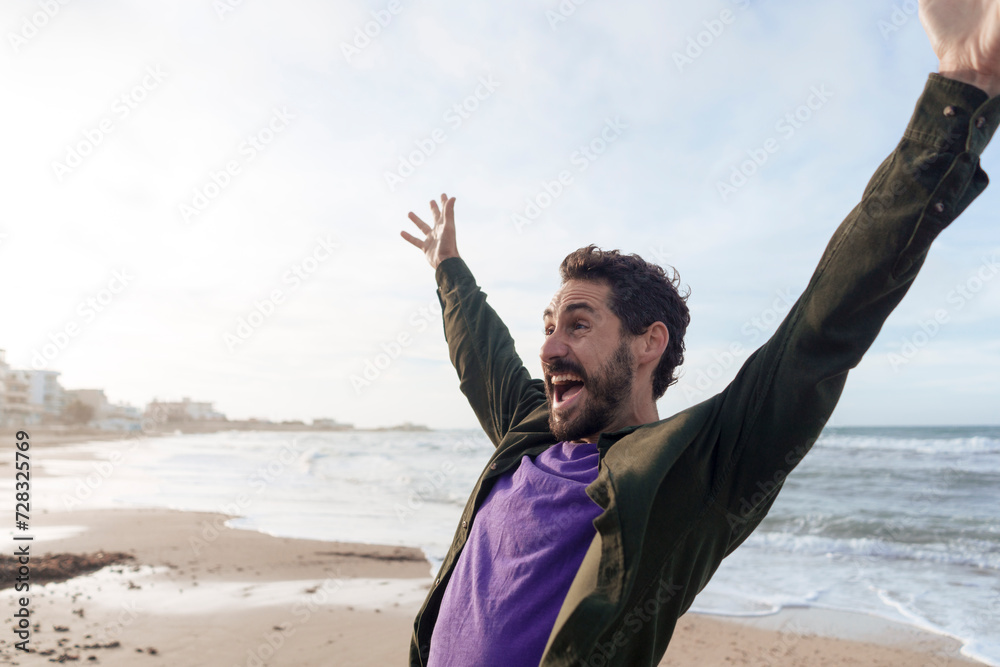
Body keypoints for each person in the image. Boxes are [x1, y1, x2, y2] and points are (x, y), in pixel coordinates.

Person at [399, 2, 1000, 665]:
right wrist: (448, 268)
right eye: (547, 326)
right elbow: (481, 352)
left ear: (647, 343)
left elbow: (824, 327)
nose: (548, 347)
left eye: (578, 323)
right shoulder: (531, 431)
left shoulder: (690, 474)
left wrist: (960, 94)